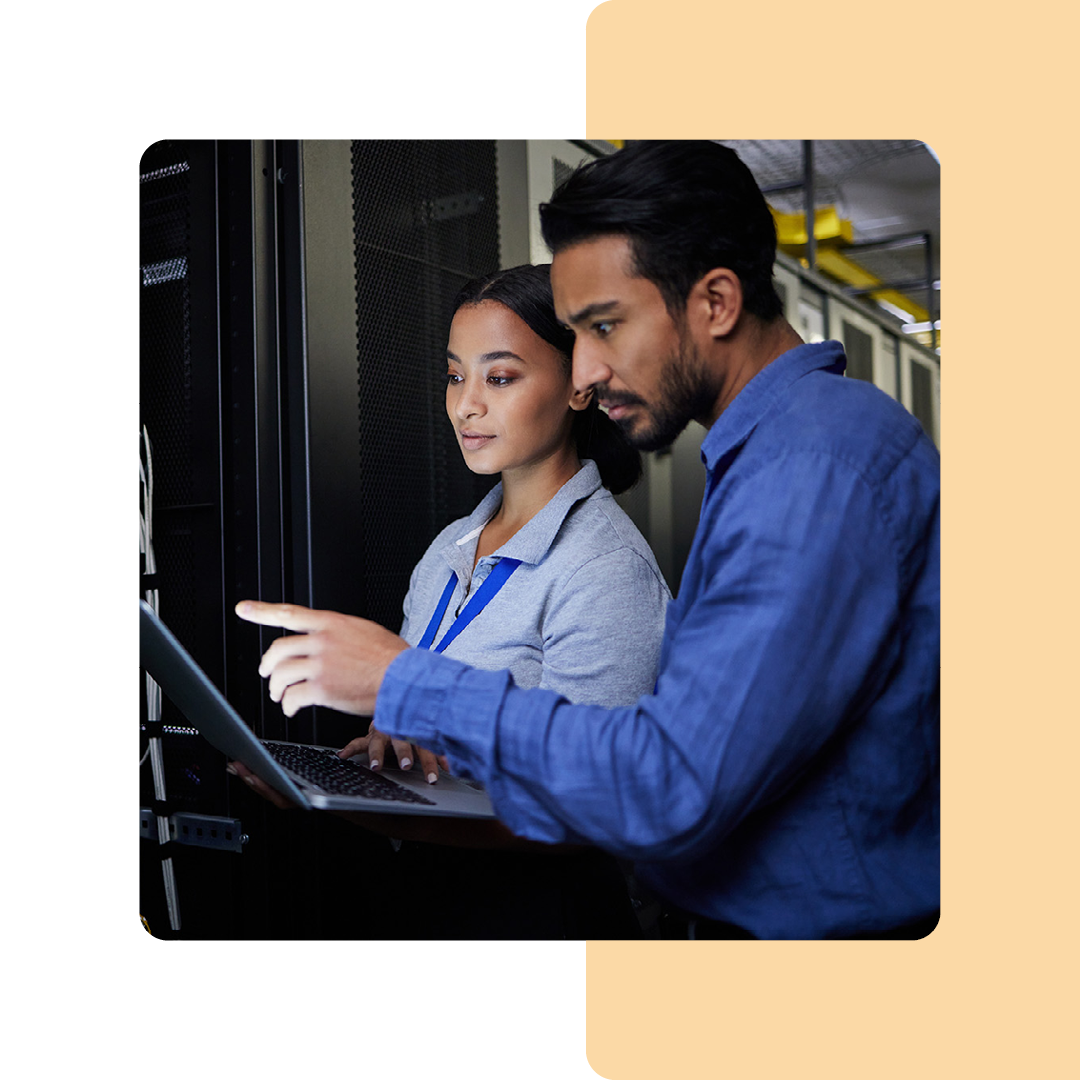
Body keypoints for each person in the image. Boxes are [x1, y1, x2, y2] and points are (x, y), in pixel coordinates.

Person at [237, 141, 940, 940]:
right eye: (577, 334)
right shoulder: (775, 458)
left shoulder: (812, 465)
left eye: (605, 327)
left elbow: (667, 785)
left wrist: (409, 683)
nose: (589, 370)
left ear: (714, 302)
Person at [234, 262, 671, 939]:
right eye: (454, 375)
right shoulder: (448, 550)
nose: (467, 404)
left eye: (499, 378)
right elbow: (430, 742)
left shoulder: (607, 569)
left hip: (540, 919)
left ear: (578, 387)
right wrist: (381, 756)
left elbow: (585, 812)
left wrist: (344, 804)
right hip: (423, 898)